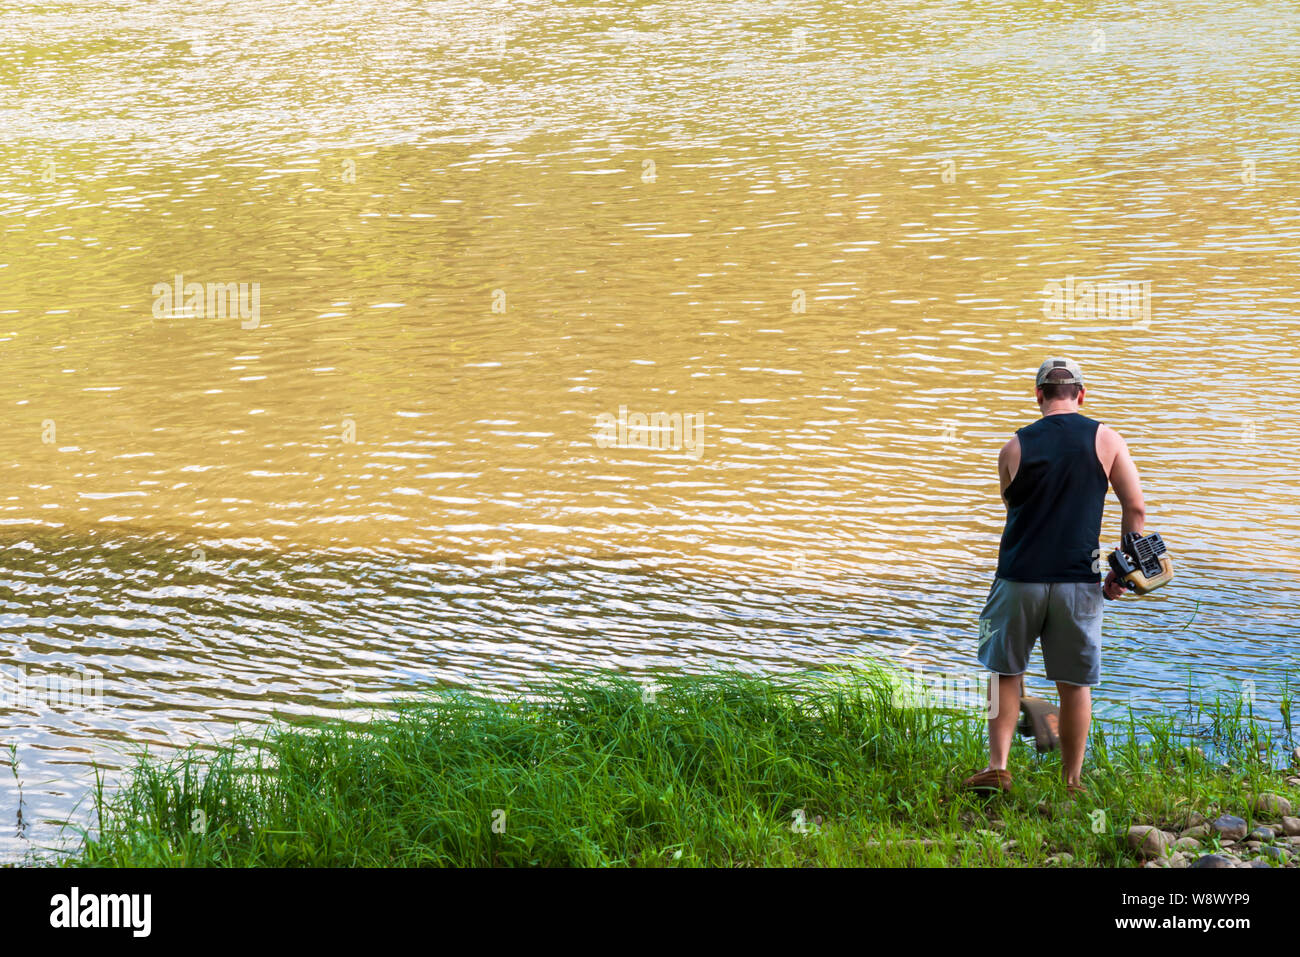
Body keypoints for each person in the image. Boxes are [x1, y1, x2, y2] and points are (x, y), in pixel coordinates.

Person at [961, 358, 1145, 796]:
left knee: (1002, 673)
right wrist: (1122, 567)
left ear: (1038, 395)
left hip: (1018, 577)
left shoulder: (1013, 448)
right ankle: (1071, 782)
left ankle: (998, 767)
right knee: (1074, 684)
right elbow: (1135, 508)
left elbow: (1015, 515)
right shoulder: (1107, 439)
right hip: (1078, 581)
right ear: (1081, 395)